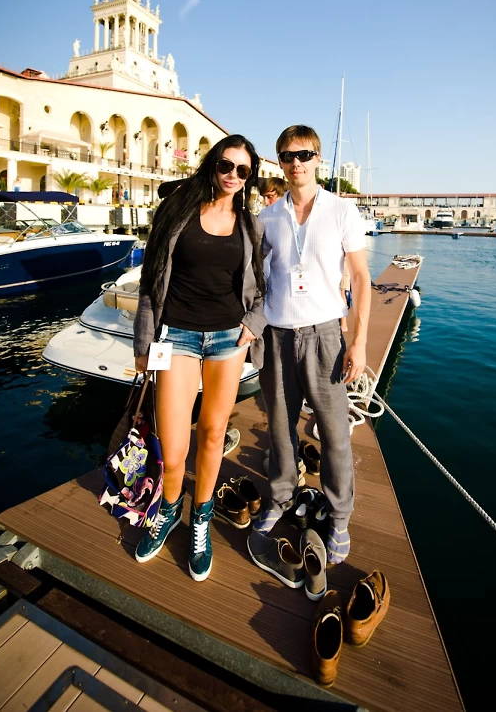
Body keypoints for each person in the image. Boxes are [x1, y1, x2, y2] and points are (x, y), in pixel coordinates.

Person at [133, 135, 267, 581]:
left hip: (229, 339)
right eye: (226, 165)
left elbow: (265, 286)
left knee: (212, 435)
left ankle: (201, 519)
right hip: (177, 337)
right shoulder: (176, 211)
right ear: (213, 164)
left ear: (249, 177)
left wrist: (254, 323)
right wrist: (143, 345)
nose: (232, 175)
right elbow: (151, 281)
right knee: (173, 449)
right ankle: (169, 510)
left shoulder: (250, 226)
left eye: (242, 170)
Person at [252, 124, 371, 566]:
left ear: (318, 158)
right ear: (280, 162)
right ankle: (282, 496)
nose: (295, 163)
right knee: (280, 428)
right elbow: (254, 279)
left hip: (324, 336)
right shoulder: (268, 217)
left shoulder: (342, 211)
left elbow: (361, 278)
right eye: (287, 156)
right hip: (277, 335)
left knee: (335, 433)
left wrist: (358, 342)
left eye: (303, 154)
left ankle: (339, 516)